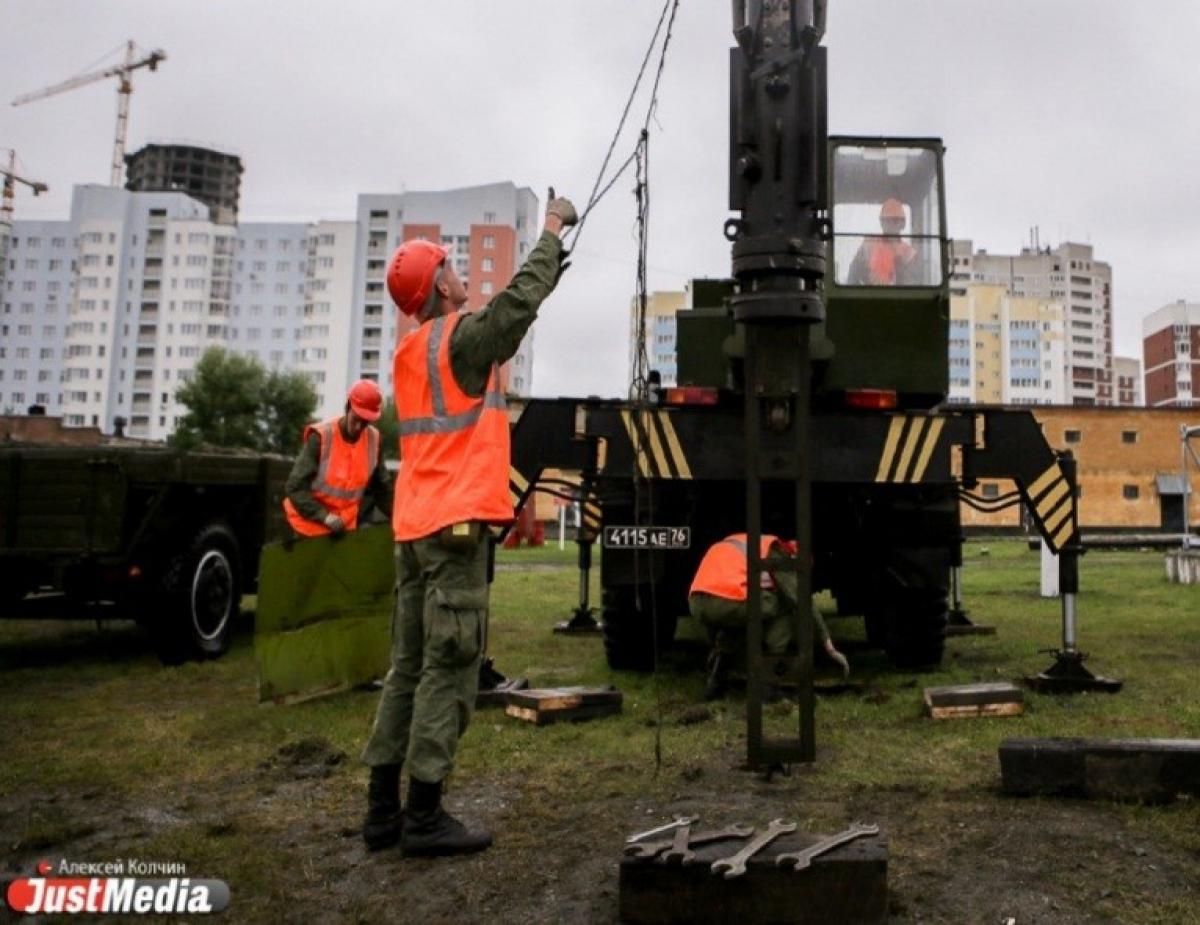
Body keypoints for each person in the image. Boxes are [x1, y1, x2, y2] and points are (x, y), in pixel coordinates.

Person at [360, 191, 577, 856]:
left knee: (407, 667)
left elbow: (516, 308)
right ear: (438, 287)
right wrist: (550, 228)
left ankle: (382, 814)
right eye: (452, 268)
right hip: (454, 530)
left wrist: (551, 262)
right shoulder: (462, 338)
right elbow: (514, 307)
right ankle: (424, 816)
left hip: (414, 527)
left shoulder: (410, 353)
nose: (460, 275)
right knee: (449, 668)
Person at [689, 533, 850, 700]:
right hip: (726, 599)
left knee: (750, 611)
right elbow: (801, 600)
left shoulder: (752, 545)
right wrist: (829, 646)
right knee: (783, 604)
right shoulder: (777, 551)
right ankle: (768, 684)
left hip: (697, 601)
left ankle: (716, 679)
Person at [282, 379, 393, 537]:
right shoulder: (321, 437)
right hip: (308, 529)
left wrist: (398, 518)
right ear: (348, 407)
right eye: (356, 420)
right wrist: (324, 516)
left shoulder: (374, 441)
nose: (358, 428)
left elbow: (383, 489)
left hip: (343, 530)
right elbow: (295, 487)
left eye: (365, 423)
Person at [847, 197, 920, 286]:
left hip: (898, 298)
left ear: (902, 223)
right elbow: (853, 275)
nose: (891, 224)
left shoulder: (908, 253)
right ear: (881, 222)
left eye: (895, 220)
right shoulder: (868, 245)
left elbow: (912, 283)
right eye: (887, 220)